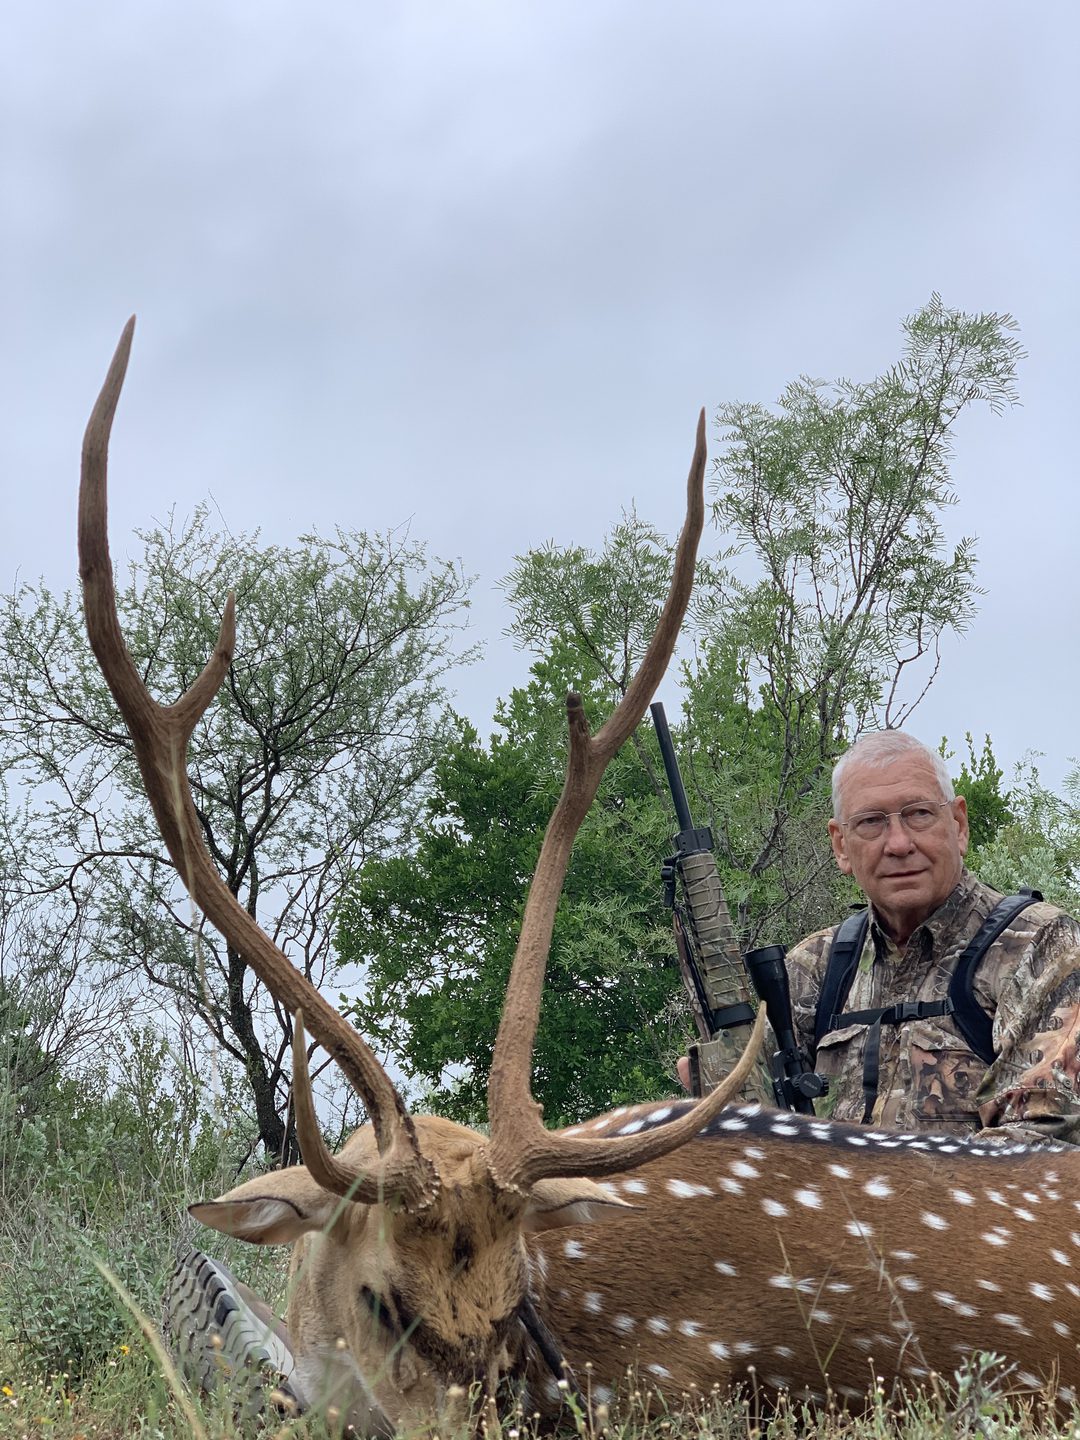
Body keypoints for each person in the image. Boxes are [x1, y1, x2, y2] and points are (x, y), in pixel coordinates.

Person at [679, 731, 1080, 1144]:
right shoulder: (814, 967)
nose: (899, 844)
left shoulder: (1037, 944)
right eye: (871, 822)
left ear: (958, 825)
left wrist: (873, 1185)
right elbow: (749, 1123)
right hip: (818, 1186)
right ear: (841, 845)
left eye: (919, 814)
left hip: (968, 1190)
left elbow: (1045, 1134)